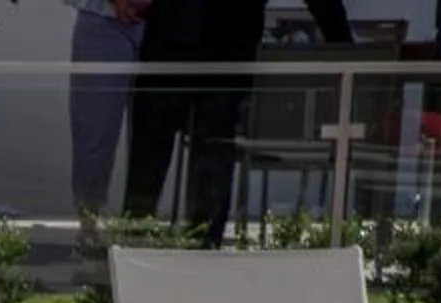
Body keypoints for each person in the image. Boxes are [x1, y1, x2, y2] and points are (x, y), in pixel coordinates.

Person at [123, 0, 353, 247]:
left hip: (220, 51)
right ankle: (136, 244)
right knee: (155, 156)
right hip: (184, 47)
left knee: (206, 155)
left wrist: (344, 49)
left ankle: (196, 248)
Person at [69, 0, 152, 232]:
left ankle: (140, 229)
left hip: (163, 24)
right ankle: (88, 224)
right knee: (95, 128)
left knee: (150, 136)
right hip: (102, 19)